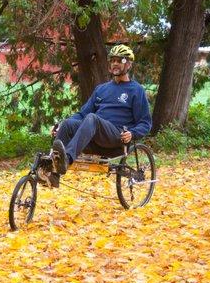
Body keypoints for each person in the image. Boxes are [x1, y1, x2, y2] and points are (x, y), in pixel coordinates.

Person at [43, 44, 152, 188]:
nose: (115, 64)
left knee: (92, 119)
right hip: (93, 138)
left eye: (119, 61)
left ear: (128, 64)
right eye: (112, 60)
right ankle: (53, 173)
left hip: (115, 137)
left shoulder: (136, 90)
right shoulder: (101, 89)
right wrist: (61, 125)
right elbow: (82, 114)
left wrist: (133, 133)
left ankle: (67, 159)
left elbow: (145, 123)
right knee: (69, 123)